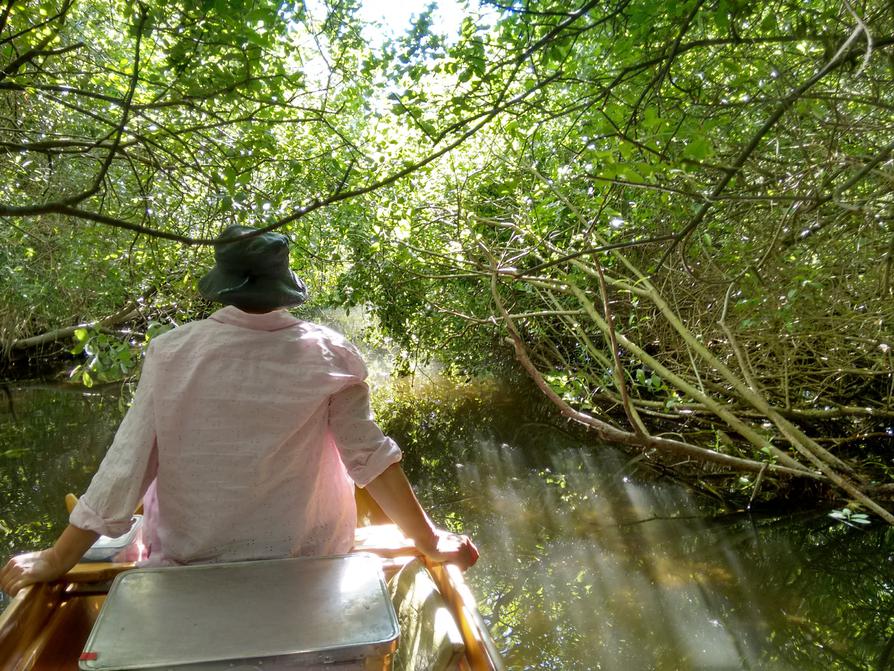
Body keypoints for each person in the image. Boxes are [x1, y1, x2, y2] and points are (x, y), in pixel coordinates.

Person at [0, 225, 478, 596]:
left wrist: (57, 559)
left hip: (190, 569)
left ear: (222, 286)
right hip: (310, 563)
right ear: (283, 287)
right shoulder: (331, 353)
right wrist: (430, 541)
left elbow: (126, 469)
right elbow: (370, 460)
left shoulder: (171, 353)